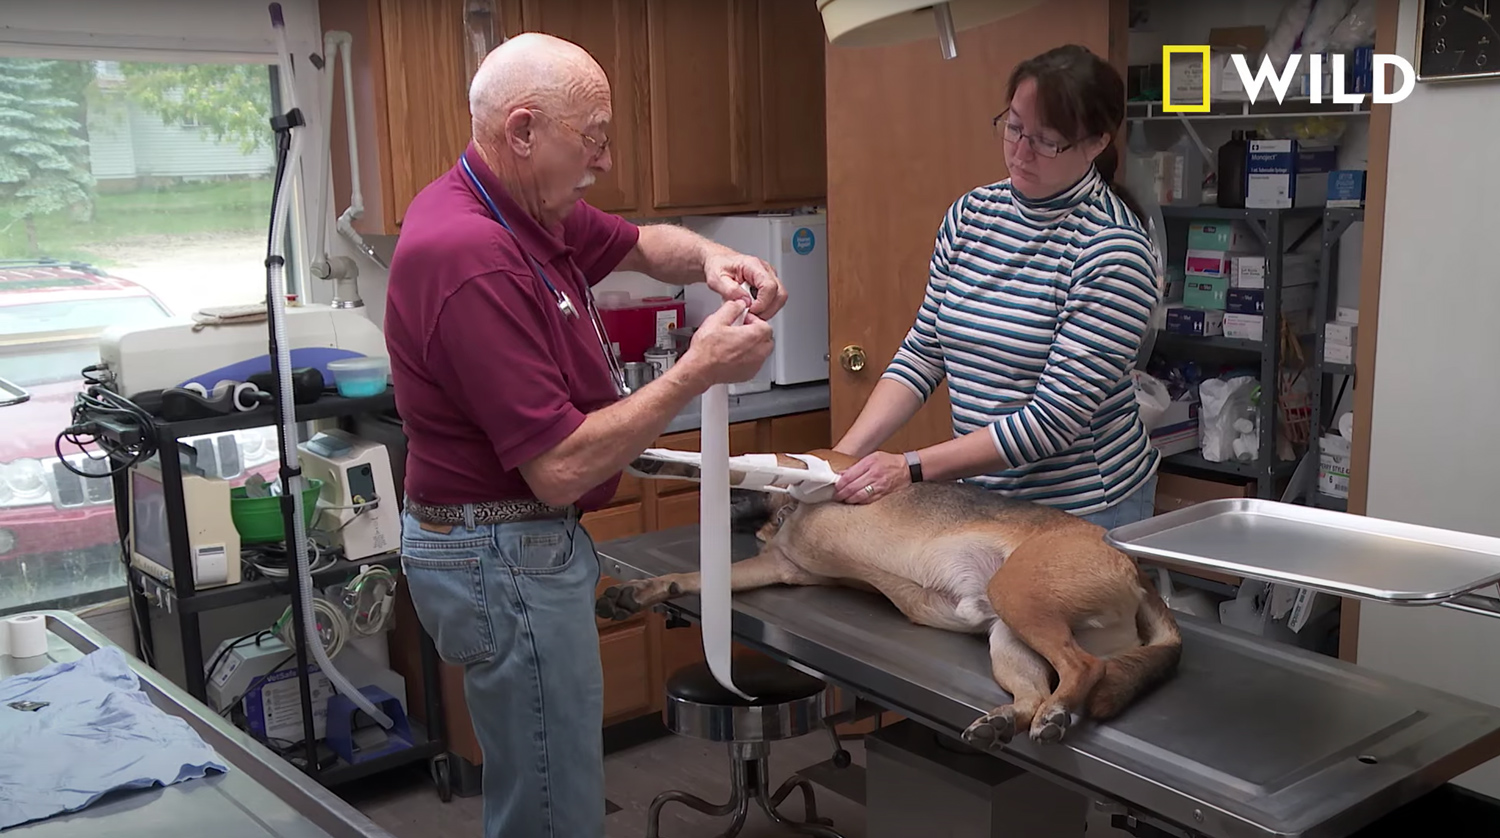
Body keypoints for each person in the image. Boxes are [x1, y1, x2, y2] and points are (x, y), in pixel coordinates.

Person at [381, 32, 785, 838]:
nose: (603, 161)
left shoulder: (526, 207)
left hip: (510, 547)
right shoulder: (473, 256)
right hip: (502, 554)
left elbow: (641, 244)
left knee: (546, 780)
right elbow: (559, 469)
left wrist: (713, 257)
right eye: (592, 139)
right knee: (550, 805)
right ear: (523, 130)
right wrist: (697, 369)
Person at [831, 44, 1162, 531]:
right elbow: (925, 353)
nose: (1021, 152)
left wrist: (910, 468)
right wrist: (839, 458)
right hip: (982, 498)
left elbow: (1053, 420)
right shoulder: (971, 216)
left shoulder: (1113, 251)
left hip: (1083, 509)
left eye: (1047, 141)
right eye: (1014, 128)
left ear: (1095, 143)